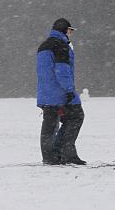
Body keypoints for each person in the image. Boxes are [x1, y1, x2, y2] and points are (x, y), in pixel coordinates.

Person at [36, 18, 86, 165]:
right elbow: (62, 71)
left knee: (50, 124)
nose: (71, 34)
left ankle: (50, 157)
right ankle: (65, 152)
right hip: (60, 93)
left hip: (46, 93)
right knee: (76, 116)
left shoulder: (44, 46)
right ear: (65, 30)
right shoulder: (61, 46)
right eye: (70, 31)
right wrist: (69, 90)